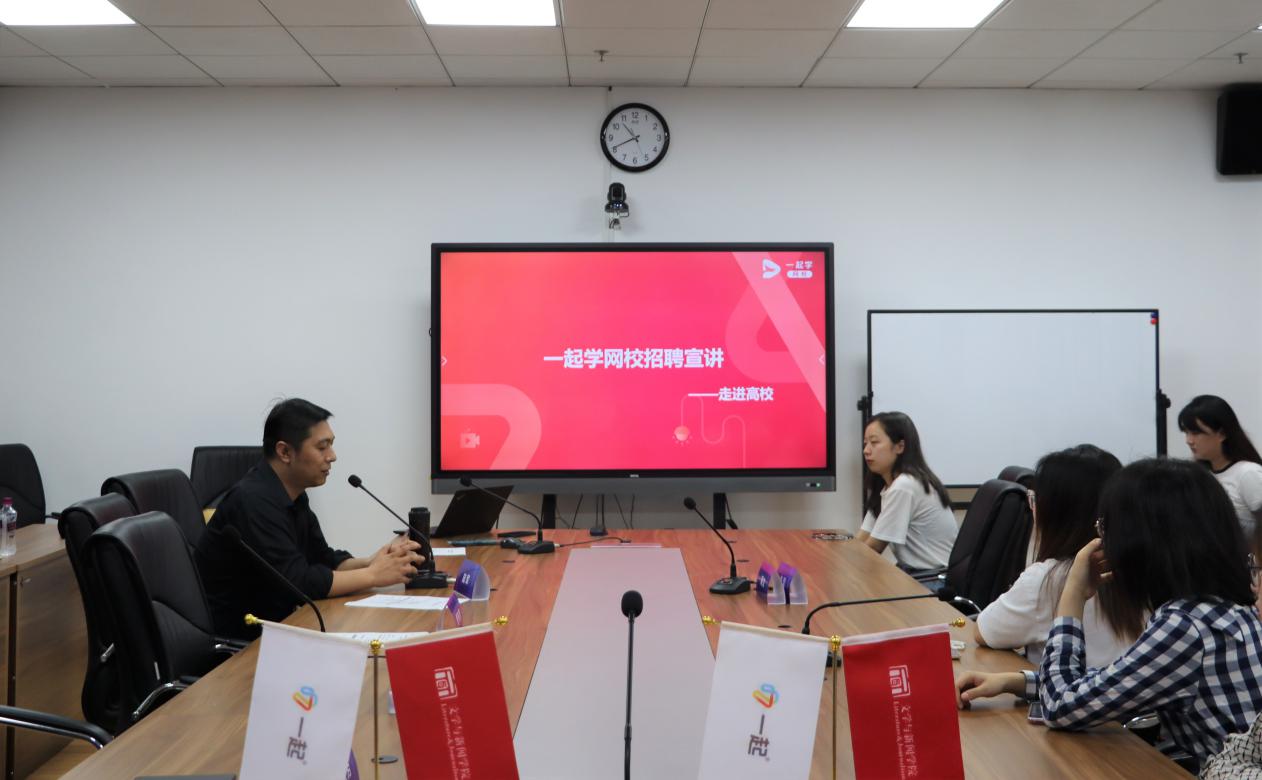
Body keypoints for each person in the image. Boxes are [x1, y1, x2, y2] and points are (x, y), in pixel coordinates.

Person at [956, 458, 1262, 768]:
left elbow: (1060, 707)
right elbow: (1120, 683)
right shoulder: (1221, 605)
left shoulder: (1185, 626)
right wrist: (1016, 682)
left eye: (1106, 527)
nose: (1104, 539)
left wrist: (1073, 594)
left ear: (1140, 541)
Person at [196, 398, 422, 639]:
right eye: (322, 447)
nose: (332, 456)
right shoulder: (252, 501)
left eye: (331, 445)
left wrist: (371, 562)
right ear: (285, 452)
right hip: (239, 643)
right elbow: (299, 583)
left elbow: (322, 559)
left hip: (280, 629)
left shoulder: (293, 494)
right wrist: (373, 575)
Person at [974, 445, 1130, 667]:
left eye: (1035, 500)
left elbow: (984, 632)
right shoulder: (1136, 567)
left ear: (1053, 512)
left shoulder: (1047, 578)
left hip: (1066, 687)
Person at [855, 411, 957, 572]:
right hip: (914, 572)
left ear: (900, 446)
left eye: (874, 442)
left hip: (933, 577)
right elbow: (861, 540)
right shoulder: (887, 486)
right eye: (865, 443)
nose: (866, 450)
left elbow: (873, 549)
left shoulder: (905, 486)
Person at [1179, 394, 1262, 537]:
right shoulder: (1197, 474)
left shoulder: (1248, 473)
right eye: (1186, 432)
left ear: (1222, 434)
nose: (1189, 440)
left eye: (1196, 433)